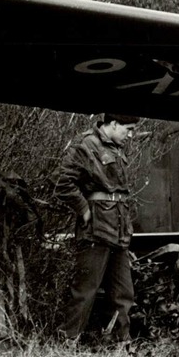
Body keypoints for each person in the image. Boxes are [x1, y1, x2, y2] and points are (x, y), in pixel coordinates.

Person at [56, 112, 141, 343]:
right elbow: (63, 183)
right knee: (85, 290)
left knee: (124, 293)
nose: (131, 135)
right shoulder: (85, 145)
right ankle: (67, 341)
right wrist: (84, 211)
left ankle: (122, 344)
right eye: (128, 129)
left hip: (119, 228)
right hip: (96, 228)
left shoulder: (117, 148)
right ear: (113, 123)